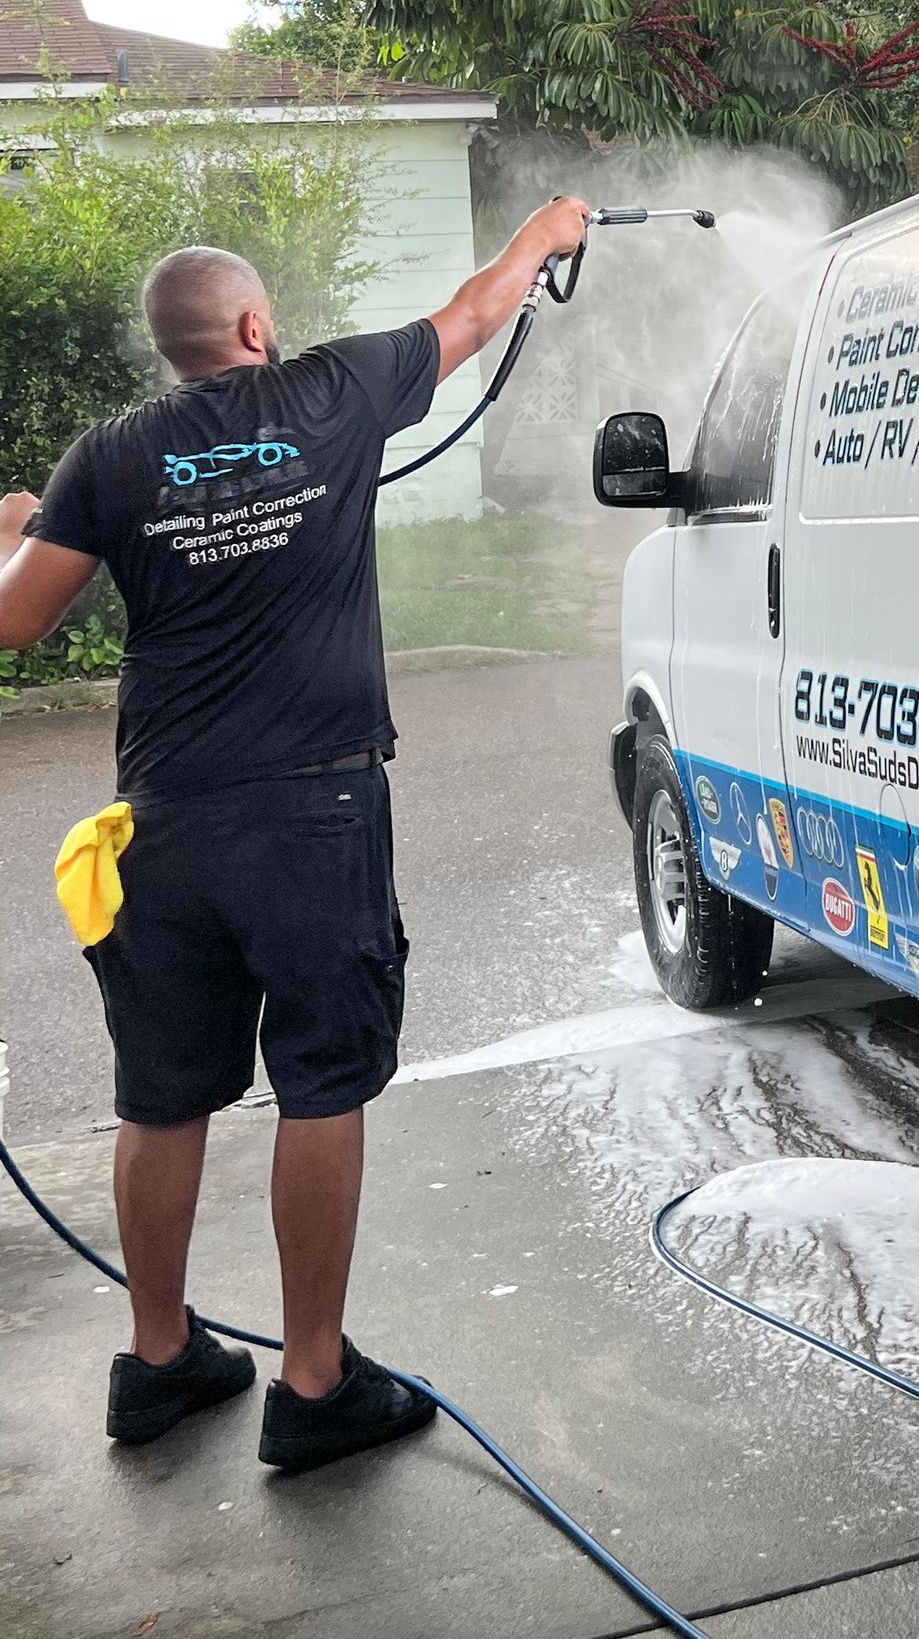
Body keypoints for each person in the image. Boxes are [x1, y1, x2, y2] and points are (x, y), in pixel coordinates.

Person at [0, 197, 589, 1471]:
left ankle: (159, 1363)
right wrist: (546, 231)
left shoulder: (107, 456)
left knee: (162, 1096)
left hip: (160, 820)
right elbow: (480, 310)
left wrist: (11, 532)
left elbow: (13, 625)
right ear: (256, 326)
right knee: (321, 1082)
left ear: (173, 349)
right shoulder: (333, 391)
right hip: (315, 811)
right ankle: (313, 1386)